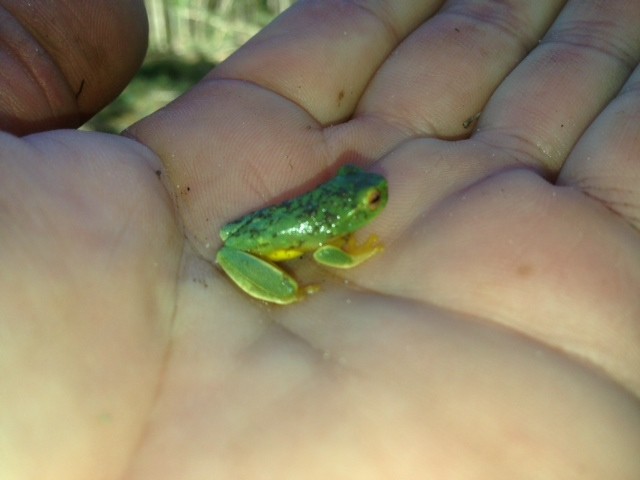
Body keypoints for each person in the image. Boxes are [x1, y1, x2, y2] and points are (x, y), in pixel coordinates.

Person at [1, 1, 639, 478]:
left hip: (252, 229)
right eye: (369, 201)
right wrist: (352, 251)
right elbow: (329, 250)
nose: (374, 202)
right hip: (248, 247)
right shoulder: (339, 229)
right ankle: (273, 291)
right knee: (281, 271)